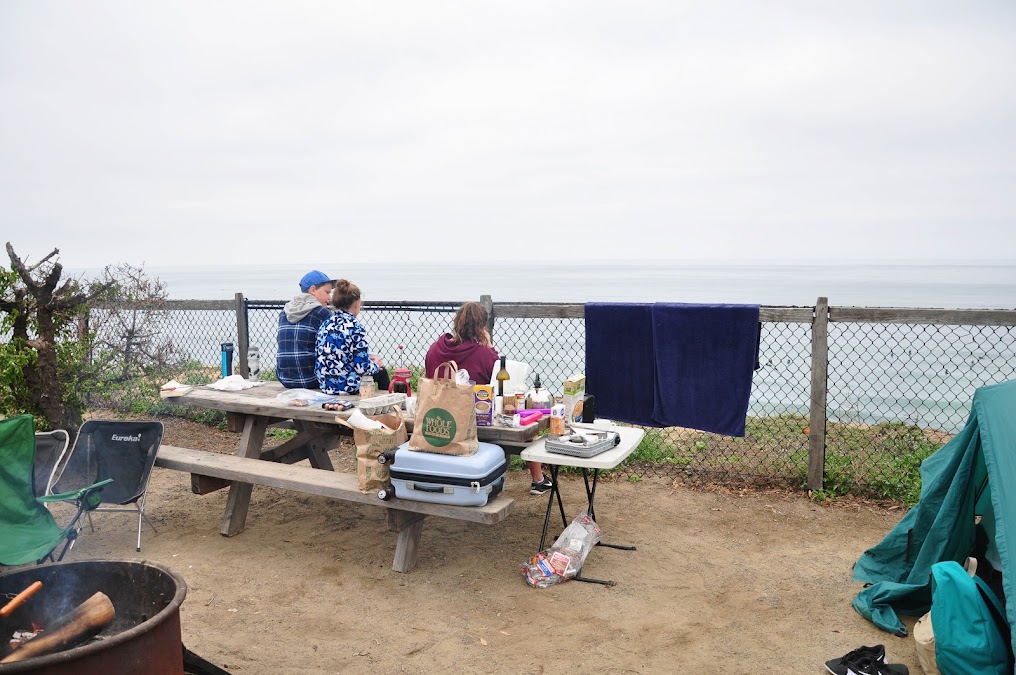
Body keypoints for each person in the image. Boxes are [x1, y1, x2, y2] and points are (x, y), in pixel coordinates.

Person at [424, 302, 552, 496]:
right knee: (527, 430)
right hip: (474, 420)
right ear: (481, 327)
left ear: (457, 322)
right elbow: (499, 380)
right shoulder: (484, 353)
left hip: (438, 415)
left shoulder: (435, 348)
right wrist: (490, 345)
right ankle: (538, 480)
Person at [315, 279, 390, 395]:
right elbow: (362, 368)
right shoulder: (355, 327)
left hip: (326, 385)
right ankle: (385, 400)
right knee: (381, 372)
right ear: (356, 303)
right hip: (347, 387)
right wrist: (376, 365)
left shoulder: (326, 324)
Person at [276, 270, 336, 389]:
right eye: (327, 292)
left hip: (285, 378)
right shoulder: (321, 312)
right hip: (312, 379)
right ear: (313, 290)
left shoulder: (285, 311)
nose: (329, 298)